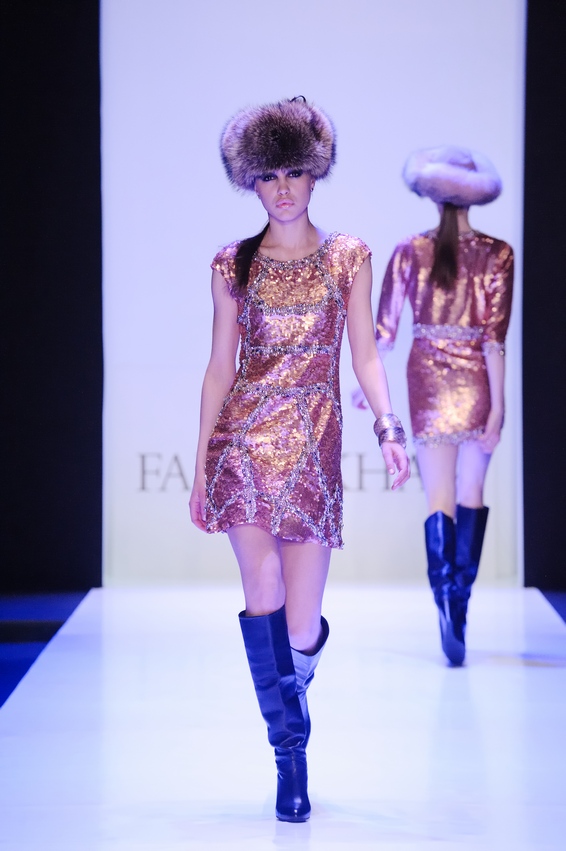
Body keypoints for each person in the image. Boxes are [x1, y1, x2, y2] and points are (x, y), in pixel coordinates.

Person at [189, 97, 410, 822]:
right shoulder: (233, 264)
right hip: (244, 443)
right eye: (268, 176)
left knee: (300, 628)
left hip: (314, 447)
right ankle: (291, 758)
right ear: (251, 184)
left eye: (293, 173)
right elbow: (219, 369)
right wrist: (202, 465)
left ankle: (292, 691)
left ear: (315, 175)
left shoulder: (348, 257)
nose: (282, 188)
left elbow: (366, 355)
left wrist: (389, 428)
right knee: (262, 584)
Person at [357, 146, 513, 667]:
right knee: (471, 491)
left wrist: (367, 387)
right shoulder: (498, 253)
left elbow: (384, 332)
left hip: (425, 376)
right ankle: (459, 603)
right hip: (476, 382)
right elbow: (494, 340)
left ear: (433, 195)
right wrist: (497, 409)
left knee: (439, 494)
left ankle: (445, 598)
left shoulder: (410, 250)